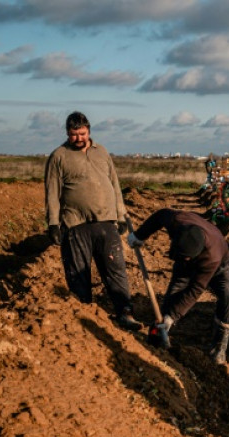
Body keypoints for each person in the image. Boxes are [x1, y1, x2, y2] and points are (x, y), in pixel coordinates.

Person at [44, 111, 141, 330]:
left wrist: (121, 214)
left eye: (82, 133)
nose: (78, 138)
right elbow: (51, 192)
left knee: (115, 270)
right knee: (78, 274)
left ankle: (125, 313)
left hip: (107, 223)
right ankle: (83, 315)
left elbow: (114, 184)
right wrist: (52, 223)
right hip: (75, 225)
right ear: (67, 133)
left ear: (89, 131)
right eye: (73, 134)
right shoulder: (59, 156)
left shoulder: (102, 152)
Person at [126, 209, 229, 364]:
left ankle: (218, 350)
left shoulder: (211, 258)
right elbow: (159, 216)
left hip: (220, 265)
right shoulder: (177, 221)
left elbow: (195, 289)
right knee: (176, 289)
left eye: (186, 258)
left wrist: (174, 316)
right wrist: (139, 235)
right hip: (187, 250)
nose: (184, 260)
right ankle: (158, 334)